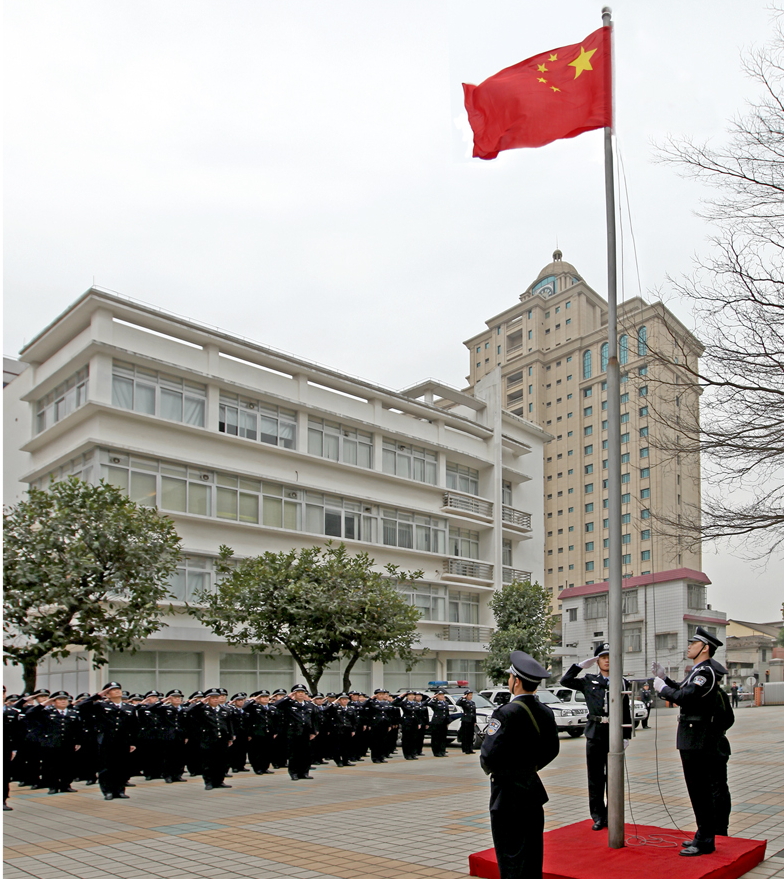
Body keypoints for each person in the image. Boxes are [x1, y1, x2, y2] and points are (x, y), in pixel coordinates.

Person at [652, 626, 733, 857]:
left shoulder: (705, 672)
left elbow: (685, 697)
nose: (689, 646)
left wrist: (663, 689)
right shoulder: (698, 670)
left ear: (705, 648)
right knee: (697, 790)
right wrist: (665, 679)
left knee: (700, 791)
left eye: (693, 643)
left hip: (698, 737)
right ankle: (702, 834)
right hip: (693, 736)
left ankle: (706, 840)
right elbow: (683, 689)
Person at [480, 651, 559, 879]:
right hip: (532, 791)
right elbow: (552, 750)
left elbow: (489, 756)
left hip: (507, 795)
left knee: (510, 856)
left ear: (516, 681)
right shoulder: (545, 711)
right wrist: (529, 767)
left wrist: (504, 769)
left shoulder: (506, 712)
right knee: (532, 854)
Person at [560, 642, 633, 829]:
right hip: (595, 732)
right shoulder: (589, 680)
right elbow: (565, 681)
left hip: (614, 733)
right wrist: (580, 666)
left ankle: (612, 813)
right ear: (597, 661)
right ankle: (598, 816)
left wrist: (626, 735)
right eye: (603, 657)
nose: (607, 660)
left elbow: (625, 709)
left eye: (609, 657)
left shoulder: (622, 681)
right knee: (595, 777)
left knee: (614, 777)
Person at [76, 683, 138, 801]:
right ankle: (108, 791)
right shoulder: (101, 705)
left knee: (121, 766)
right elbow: (80, 706)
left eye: (118, 689)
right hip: (106, 740)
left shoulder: (129, 707)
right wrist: (97, 696)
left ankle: (119, 790)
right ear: (107, 694)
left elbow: (134, 726)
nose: (117, 692)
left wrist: (133, 742)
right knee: (106, 767)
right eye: (113, 690)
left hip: (123, 740)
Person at [184, 687, 236, 790]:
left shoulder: (225, 710)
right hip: (208, 740)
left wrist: (230, 737)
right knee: (208, 762)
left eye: (217, 697)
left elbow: (228, 725)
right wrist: (201, 703)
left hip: (222, 740)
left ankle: (219, 781)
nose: (215, 699)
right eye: (212, 698)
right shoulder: (202, 710)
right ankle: (209, 782)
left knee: (221, 762)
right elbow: (188, 710)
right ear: (208, 699)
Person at [426, 690, 452, 757]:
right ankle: (436, 752)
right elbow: (425, 703)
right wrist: (431, 698)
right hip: (436, 723)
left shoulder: (445, 703)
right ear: (437, 696)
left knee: (442, 738)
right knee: (436, 738)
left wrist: (448, 722)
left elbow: (447, 713)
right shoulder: (434, 703)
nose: (442, 696)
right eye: (440, 695)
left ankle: (442, 751)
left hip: (443, 723)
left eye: (442, 695)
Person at [456, 689, 478, 754]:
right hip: (466, 720)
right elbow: (457, 703)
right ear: (466, 695)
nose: (471, 696)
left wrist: (475, 721)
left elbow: (474, 712)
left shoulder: (473, 703)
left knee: (471, 735)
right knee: (465, 735)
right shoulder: (464, 702)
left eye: (471, 695)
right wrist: (462, 698)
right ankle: (466, 749)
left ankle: (470, 748)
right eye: (469, 695)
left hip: (471, 720)